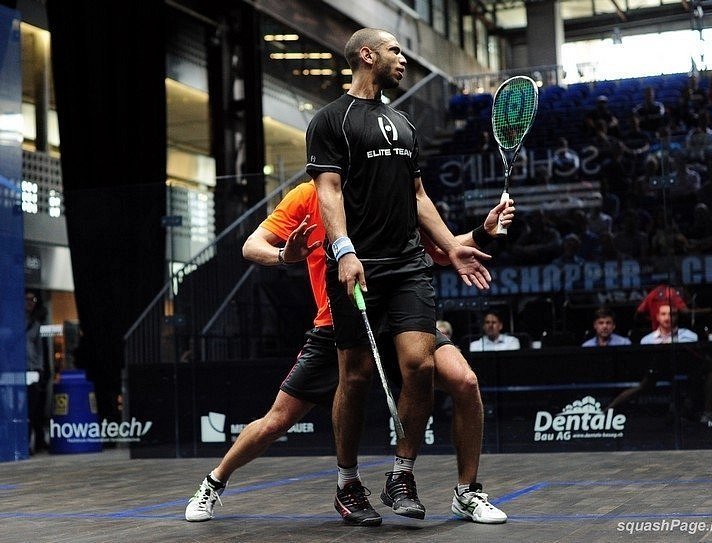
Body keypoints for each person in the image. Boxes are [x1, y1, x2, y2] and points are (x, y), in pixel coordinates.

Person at [184, 181, 514, 525]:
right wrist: (284, 256)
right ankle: (214, 482)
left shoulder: (387, 182)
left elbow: (440, 252)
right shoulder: (308, 195)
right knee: (277, 420)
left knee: (465, 381)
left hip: (397, 317)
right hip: (337, 324)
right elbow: (251, 246)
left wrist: (483, 232)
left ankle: (467, 492)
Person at [298, 27, 491, 525]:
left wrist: (450, 245)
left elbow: (418, 196)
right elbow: (328, 190)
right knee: (356, 376)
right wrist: (343, 250)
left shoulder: (403, 123)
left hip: (408, 266)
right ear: (367, 55)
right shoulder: (330, 120)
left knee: (420, 367)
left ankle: (401, 474)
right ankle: (347, 483)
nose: (403, 59)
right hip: (357, 267)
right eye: (394, 51)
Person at [25, 290, 48, 453]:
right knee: (20, 408)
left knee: (32, 407)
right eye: (26, 299)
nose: (29, 302)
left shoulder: (36, 324)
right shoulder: (14, 322)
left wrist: (41, 369)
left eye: (32, 300)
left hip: (32, 369)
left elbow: (40, 350)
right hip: (17, 369)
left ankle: (32, 442)